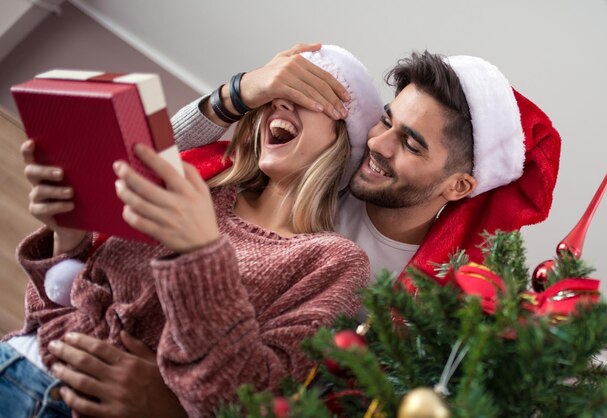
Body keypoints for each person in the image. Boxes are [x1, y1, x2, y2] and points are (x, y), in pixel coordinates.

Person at [25, 44, 562, 417]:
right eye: (386, 120)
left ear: (459, 185)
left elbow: (276, 395)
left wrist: (171, 407)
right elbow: (166, 156)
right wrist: (236, 94)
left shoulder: (407, 298)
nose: (379, 145)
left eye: (412, 143)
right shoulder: (317, 174)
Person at [0, 45, 382, 417]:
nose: (281, 103)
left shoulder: (333, 260)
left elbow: (251, 396)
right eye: (279, 94)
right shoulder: (202, 181)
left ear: (344, 140)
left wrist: (199, 253)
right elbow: (54, 307)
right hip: (17, 360)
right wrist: (66, 235)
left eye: (306, 94)